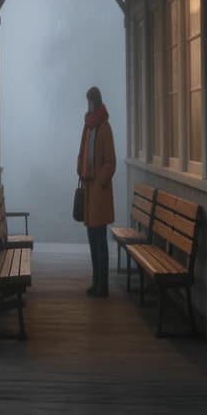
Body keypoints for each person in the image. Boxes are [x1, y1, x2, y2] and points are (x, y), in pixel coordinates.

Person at [77, 85, 116, 297]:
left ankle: (104, 285)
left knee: (100, 240)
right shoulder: (88, 126)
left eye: (90, 101)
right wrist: (79, 166)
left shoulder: (104, 128)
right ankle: (96, 281)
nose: (88, 105)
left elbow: (111, 161)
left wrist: (100, 182)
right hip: (89, 190)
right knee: (92, 239)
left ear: (96, 102)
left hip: (99, 193)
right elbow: (82, 150)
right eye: (87, 101)